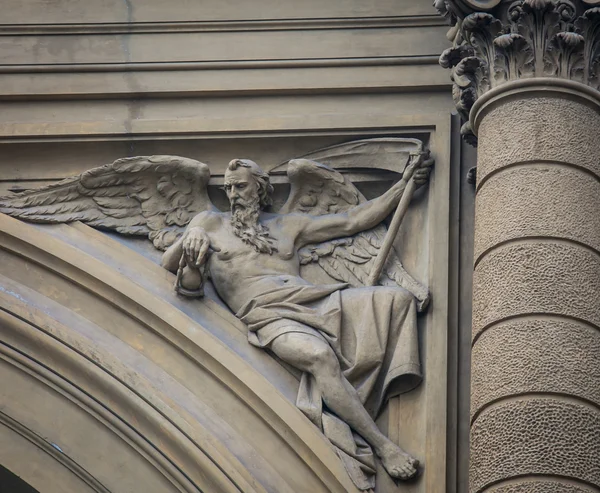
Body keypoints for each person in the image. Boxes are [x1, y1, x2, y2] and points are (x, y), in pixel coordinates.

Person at [161, 156, 430, 481]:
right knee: (318, 357)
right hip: (267, 314)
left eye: (241, 186)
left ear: (260, 189)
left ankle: (361, 398)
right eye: (229, 188)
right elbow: (171, 261)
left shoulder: (288, 225)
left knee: (396, 300)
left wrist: (404, 185)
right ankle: (384, 445)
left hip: (315, 300)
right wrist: (193, 241)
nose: (233, 194)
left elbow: (351, 221)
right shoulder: (209, 223)